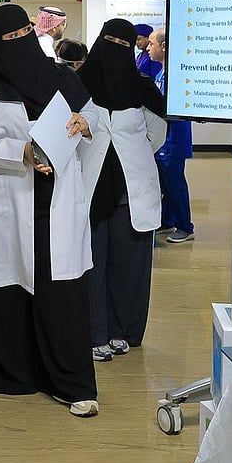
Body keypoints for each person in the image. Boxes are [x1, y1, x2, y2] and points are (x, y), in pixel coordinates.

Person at [0, 4, 102, 417]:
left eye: (26, 33)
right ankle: (11, 376)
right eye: (10, 38)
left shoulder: (62, 76)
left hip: (56, 198)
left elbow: (91, 112)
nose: (21, 42)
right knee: (10, 288)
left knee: (60, 292)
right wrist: (19, 151)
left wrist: (85, 123)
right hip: (9, 198)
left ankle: (70, 383)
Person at [77, 19, 168, 361]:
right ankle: (94, 331)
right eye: (110, 41)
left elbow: (156, 136)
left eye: (123, 44)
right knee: (92, 263)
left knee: (127, 266)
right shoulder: (78, 85)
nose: (115, 49)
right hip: (90, 189)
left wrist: (130, 153)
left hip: (130, 192)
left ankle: (121, 330)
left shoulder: (143, 89)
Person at [150, 27, 195, 243]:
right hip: (164, 137)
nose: (148, 48)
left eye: (151, 44)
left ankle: (185, 226)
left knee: (175, 183)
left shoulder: (175, 75)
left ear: (164, 46)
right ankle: (166, 220)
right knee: (166, 183)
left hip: (173, 137)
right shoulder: (162, 72)